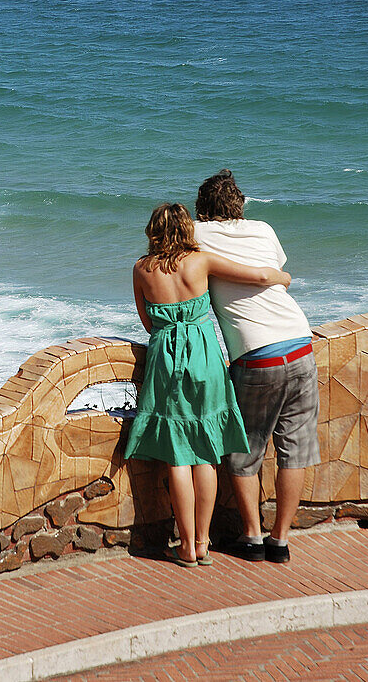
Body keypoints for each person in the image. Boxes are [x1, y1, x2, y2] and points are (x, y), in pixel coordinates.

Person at [124, 203, 291, 568]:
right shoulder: (201, 261)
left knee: (177, 454)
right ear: (187, 228)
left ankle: (184, 546)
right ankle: (202, 543)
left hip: (166, 359)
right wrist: (282, 279)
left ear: (153, 230)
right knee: (206, 451)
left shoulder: (141, 269)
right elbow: (257, 276)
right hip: (204, 355)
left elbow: (148, 323)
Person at [194, 169, 319, 564]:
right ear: (240, 203)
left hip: (256, 354)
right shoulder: (263, 228)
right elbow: (278, 275)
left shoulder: (197, 236)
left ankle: (251, 536)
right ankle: (280, 541)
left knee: (244, 450)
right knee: (294, 449)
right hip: (300, 343)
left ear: (202, 208)